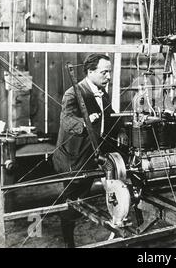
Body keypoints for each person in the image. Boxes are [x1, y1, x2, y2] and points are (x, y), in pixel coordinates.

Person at [52, 53, 126, 248]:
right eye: (104, 72)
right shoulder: (73, 93)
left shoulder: (103, 92)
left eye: (109, 72)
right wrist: (85, 123)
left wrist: (123, 128)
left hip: (94, 153)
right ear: (90, 71)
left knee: (89, 193)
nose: (108, 77)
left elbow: (109, 115)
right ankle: (68, 241)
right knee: (72, 200)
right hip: (75, 157)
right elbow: (66, 120)